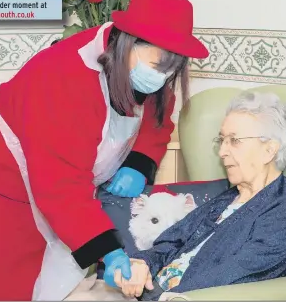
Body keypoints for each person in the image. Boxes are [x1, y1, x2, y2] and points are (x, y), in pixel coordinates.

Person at [0, 0, 209, 301]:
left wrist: (140, 161)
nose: (162, 77)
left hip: (48, 179)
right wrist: (110, 253)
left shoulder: (140, 69)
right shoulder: (65, 79)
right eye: (157, 66)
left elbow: (157, 117)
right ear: (128, 43)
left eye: (170, 70)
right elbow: (61, 187)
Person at [112, 91, 286, 300]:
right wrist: (142, 263)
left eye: (234, 141)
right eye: (221, 140)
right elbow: (170, 243)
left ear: (269, 150)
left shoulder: (280, 209)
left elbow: (241, 272)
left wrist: (167, 296)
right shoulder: (226, 200)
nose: (222, 151)